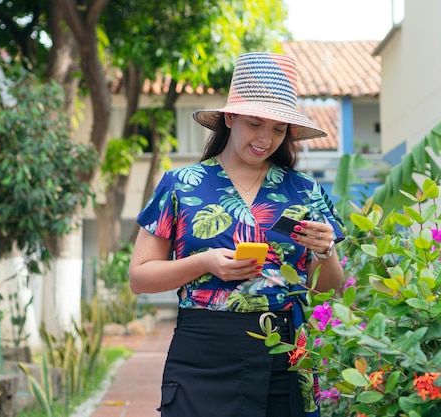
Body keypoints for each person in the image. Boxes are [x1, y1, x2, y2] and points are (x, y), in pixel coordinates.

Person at [129, 52, 345, 417]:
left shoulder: (305, 191)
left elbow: (329, 291)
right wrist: (203, 263)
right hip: (203, 352)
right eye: (256, 124)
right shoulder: (182, 185)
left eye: (278, 130)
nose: (266, 139)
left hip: (285, 352)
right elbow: (139, 277)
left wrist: (325, 253)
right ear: (230, 118)